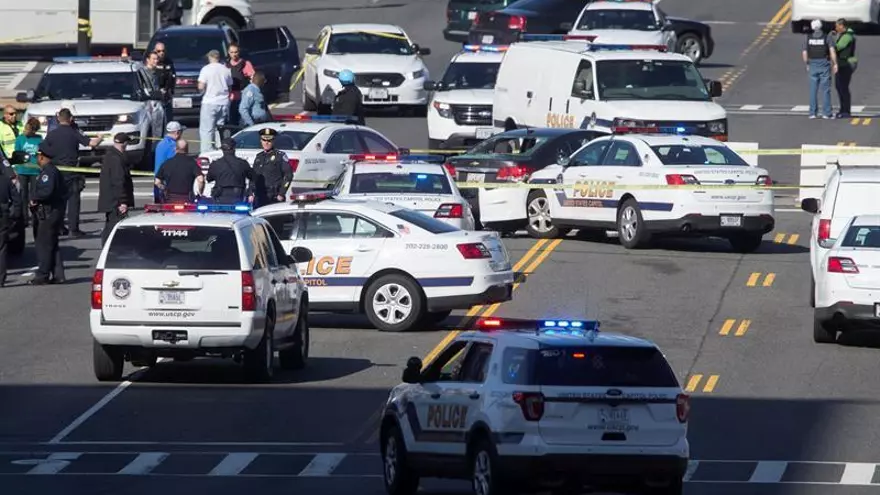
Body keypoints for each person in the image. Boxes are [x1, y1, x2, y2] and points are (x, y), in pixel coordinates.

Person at [42, 108, 103, 237]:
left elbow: (43, 149)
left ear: (58, 119)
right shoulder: (74, 132)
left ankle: (59, 227)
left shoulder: (52, 134)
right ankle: (73, 229)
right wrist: (100, 138)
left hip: (56, 171)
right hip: (72, 171)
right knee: (73, 200)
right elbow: (91, 143)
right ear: (70, 119)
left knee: (58, 201)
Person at [30, 141, 66, 285]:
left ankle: (42, 275)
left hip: (49, 212)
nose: (36, 160)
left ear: (42, 157)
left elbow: (46, 191)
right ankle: (58, 274)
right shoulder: (52, 171)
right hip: (54, 211)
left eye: (37, 156)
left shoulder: (48, 172)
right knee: (52, 244)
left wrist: (34, 198)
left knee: (43, 244)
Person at [97, 134, 135, 246]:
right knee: (114, 227)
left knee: (110, 226)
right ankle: (110, 250)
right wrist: (123, 201)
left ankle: (108, 248)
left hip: (111, 200)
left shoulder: (110, 155)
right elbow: (118, 182)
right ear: (124, 143)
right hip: (115, 202)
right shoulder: (116, 159)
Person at [198, 50, 233, 154]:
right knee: (219, 127)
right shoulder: (226, 69)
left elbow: (201, 86)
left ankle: (206, 152)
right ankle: (219, 150)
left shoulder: (206, 69)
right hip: (223, 102)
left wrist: (202, 91)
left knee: (207, 129)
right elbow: (230, 86)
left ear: (209, 57)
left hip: (209, 101)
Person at [802, 19, 838, 119]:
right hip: (824, 63)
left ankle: (812, 113)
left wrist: (807, 63)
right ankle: (826, 113)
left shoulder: (808, 37)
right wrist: (835, 63)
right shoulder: (827, 37)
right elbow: (832, 51)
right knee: (825, 90)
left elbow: (804, 52)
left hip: (813, 63)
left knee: (813, 90)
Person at [250, 128, 292, 209]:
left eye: (269, 141)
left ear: (273, 141)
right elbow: (253, 176)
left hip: (273, 196)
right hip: (259, 195)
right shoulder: (259, 157)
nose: (266, 143)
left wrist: (281, 193)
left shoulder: (279, 156)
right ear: (261, 141)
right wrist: (250, 193)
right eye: (264, 140)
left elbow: (288, 175)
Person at [155, 139, 205, 203]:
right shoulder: (192, 163)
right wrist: (200, 192)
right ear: (187, 149)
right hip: (187, 198)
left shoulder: (167, 163)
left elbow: (157, 182)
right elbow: (201, 180)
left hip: (170, 198)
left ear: (175, 148)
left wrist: (164, 188)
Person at [206, 138, 254, 204]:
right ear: (234, 149)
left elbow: (209, 179)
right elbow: (253, 177)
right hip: (238, 197)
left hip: (219, 198)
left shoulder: (215, 164)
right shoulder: (243, 163)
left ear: (222, 150)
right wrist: (250, 192)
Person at [13, 117, 42, 224]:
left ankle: (36, 217)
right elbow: (16, 154)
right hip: (22, 170)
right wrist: (15, 169)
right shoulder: (20, 139)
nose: (27, 131)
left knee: (34, 195)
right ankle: (24, 218)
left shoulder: (39, 138)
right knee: (23, 195)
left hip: (35, 170)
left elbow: (41, 153)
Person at [0, 160, 21, 288]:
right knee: (1, 249)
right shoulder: (6, 180)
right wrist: (15, 216)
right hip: (3, 216)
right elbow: (17, 199)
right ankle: (1, 279)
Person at [832, 18, 857, 119]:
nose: (836, 28)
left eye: (837, 26)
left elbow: (838, 47)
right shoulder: (843, 35)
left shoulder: (847, 36)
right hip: (841, 63)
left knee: (843, 87)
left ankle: (846, 111)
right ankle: (842, 109)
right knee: (839, 86)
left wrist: (830, 42)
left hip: (846, 63)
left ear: (842, 26)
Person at [154, 121, 185, 201]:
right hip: (167, 182)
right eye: (181, 132)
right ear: (177, 132)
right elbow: (175, 164)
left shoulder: (160, 143)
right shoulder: (173, 146)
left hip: (158, 179)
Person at [226, 43, 255, 127]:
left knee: (243, 120)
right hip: (230, 97)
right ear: (228, 52)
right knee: (232, 120)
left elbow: (253, 78)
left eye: (236, 52)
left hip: (243, 95)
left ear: (239, 52)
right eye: (231, 52)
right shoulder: (226, 65)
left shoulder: (245, 64)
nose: (234, 54)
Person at [154, 42, 177, 124]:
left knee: (169, 120)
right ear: (155, 51)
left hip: (167, 95)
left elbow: (173, 76)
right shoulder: (153, 62)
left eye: (163, 51)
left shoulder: (169, 62)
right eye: (159, 51)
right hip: (155, 97)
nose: (161, 53)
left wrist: (171, 90)